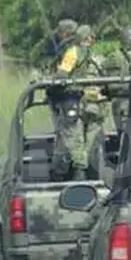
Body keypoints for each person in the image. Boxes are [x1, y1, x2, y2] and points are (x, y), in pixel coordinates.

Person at [52, 25, 109, 179]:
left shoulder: (73, 52)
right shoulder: (98, 56)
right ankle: (91, 172)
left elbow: (62, 74)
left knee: (75, 141)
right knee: (91, 142)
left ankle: (79, 173)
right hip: (96, 105)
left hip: (77, 102)